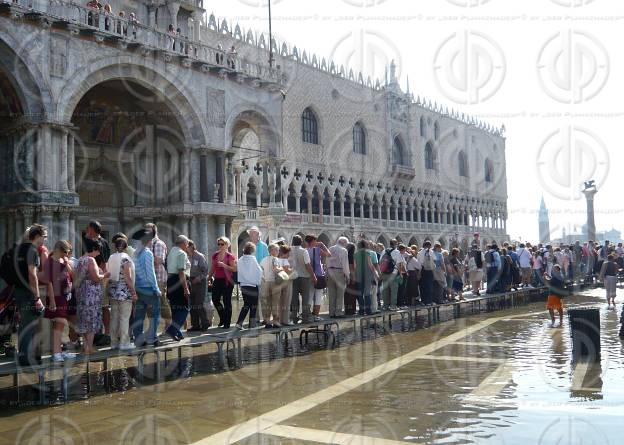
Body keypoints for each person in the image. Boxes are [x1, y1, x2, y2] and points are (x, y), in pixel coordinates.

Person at [43, 240, 76, 362]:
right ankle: (56, 353)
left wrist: (67, 262)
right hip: (56, 296)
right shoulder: (50, 262)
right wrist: (52, 301)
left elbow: (73, 275)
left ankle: (59, 351)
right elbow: (49, 282)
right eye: (66, 252)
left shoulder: (63, 260)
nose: (67, 255)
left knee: (61, 325)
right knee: (59, 323)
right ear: (60, 250)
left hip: (64, 295)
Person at [75, 238, 109, 354]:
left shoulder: (80, 260)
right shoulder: (90, 260)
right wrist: (104, 275)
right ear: (93, 249)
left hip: (81, 293)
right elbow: (95, 277)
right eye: (98, 250)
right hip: (91, 296)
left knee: (84, 321)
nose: (99, 253)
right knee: (92, 321)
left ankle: (85, 347)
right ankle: (89, 348)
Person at [131, 228, 162, 347]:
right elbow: (151, 273)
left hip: (138, 288)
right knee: (155, 315)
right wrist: (156, 289)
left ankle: (138, 339)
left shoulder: (135, 253)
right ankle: (152, 338)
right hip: (149, 289)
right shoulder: (147, 253)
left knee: (139, 315)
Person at [107, 236, 136, 350]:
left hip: (113, 291)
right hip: (124, 292)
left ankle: (113, 342)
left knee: (114, 317)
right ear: (126, 247)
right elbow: (128, 277)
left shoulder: (111, 257)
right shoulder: (126, 259)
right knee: (124, 318)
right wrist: (133, 292)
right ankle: (124, 343)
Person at [145, 224, 171, 339]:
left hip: (159, 278)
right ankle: (152, 329)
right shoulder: (147, 244)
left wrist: (147, 256)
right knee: (150, 305)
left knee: (162, 302)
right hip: (149, 279)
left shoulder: (158, 244)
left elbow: (160, 260)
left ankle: (168, 326)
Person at [84, 220, 110, 335]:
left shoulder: (96, 242)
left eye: (88, 228)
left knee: (102, 306)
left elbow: (104, 261)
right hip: (100, 276)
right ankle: (102, 332)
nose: (86, 230)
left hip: (99, 276)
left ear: (92, 229)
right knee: (100, 306)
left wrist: (101, 275)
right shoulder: (104, 241)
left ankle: (104, 333)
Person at [165, 235, 191, 341]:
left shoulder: (172, 251)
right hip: (179, 282)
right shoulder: (182, 253)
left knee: (175, 308)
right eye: (187, 244)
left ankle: (178, 332)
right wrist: (186, 289)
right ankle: (171, 330)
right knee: (185, 308)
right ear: (183, 243)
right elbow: (181, 272)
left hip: (170, 281)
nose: (188, 246)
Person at [208, 236, 237, 329]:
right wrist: (208, 277)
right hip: (217, 279)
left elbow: (234, 269)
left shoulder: (230, 256)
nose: (220, 246)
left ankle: (227, 322)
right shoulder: (215, 255)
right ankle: (223, 317)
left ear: (227, 245)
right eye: (219, 244)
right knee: (215, 299)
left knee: (226, 300)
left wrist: (224, 265)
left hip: (228, 280)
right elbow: (212, 267)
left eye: (222, 244)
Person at [235, 242, 263, 329]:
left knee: (246, 304)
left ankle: (239, 323)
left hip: (243, 285)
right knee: (254, 305)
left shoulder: (240, 259)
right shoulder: (253, 259)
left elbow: (238, 271)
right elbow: (258, 271)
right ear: (252, 250)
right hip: (252, 286)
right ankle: (252, 325)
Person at [289, 235, 315, 323]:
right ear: (301, 242)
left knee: (294, 297)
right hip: (304, 276)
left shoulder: (289, 251)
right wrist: (313, 275)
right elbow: (308, 265)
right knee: (305, 297)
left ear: (292, 241)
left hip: (293, 277)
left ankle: (294, 316)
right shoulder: (304, 251)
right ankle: (305, 317)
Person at [305, 234, 331, 321]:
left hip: (308, 275)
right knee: (318, 296)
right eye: (315, 240)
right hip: (318, 275)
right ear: (313, 241)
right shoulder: (318, 250)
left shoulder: (304, 251)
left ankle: (307, 315)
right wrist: (322, 245)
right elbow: (329, 254)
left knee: (309, 295)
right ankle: (315, 316)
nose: (316, 242)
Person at [187, 240, 210, 332]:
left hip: (200, 282)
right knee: (192, 304)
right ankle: (195, 325)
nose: (186, 248)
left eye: (187, 246)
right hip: (191, 281)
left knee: (199, 303)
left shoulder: (199, 256)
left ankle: (205, 323)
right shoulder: (187, 257)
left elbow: (205, 271)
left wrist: (199, 278)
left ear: (192, 246)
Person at [326, 237, 350, 318]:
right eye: (346, 244)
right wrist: (347, 275)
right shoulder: (343, 250)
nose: (346, 245)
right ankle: (338, 312)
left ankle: (331, 313)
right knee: (340, 293)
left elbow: (326, 261)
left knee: (331, 293)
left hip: (329, 271)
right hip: (339, 272)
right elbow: (345, 264)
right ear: (343, 242)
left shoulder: (330, 248)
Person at [379, 239, 406, 310]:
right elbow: (399, 264)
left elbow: (380, 262)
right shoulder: (397, 252)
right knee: (394, 290)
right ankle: (393, 306)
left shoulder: (384, 251)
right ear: (395, 244)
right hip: (393, 274)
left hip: (384, 273)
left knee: (385, 290)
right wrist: (400, 274)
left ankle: (385, 305)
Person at [260, 244, 282, 328]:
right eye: (277, 250)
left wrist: (264, 278)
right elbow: (275, 269)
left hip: (265, 282)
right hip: (274, 282)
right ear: (272, 251)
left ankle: (267, 322)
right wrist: (282, 268)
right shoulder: (275, 259)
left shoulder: (263, 259)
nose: (278, 252)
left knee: (267, 303)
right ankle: (275, 322)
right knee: (275, 302)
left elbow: (260, 271)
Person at [354, 240, 377, 315]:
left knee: (360, 293)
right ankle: (368, 310)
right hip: (368, 276)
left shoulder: (355, 254)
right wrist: (375, 274)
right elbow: (370, 265)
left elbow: (354, 266)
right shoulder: (368, 253)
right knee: (367, 293)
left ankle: (361, 310)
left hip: (359, 275)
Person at [277, 244, 293, 325]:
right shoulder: (285, 261)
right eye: (288, 253)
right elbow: (287, 271)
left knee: (279, 302)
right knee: (286, 302)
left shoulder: (276, 260)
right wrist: (292, 270)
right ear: (285, 253)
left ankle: (279, 320)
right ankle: (286, 320)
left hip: (278, 282)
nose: (289, 255)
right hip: (286, 282)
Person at [417, 241, 436, 306]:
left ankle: (423, 301)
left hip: (422, 270)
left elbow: (418, 263)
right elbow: (434, 261)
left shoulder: (419, 253)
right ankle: (429, 301)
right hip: (429, 270)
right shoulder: (431, 252)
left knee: (422, 286)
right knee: (429, 286)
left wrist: (419, 273)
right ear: (429, 246)